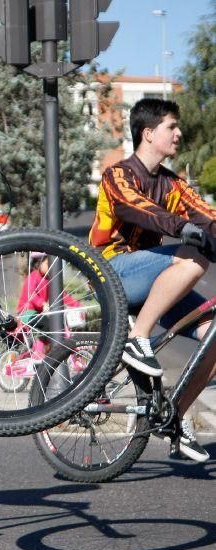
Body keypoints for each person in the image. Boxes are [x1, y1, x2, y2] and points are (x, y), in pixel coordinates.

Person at [89, 97, 216, 463]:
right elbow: (135, 207)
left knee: (214, 336)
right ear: (148, 133)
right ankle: (137, 338)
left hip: (152, 281)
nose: (179, 133)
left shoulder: (173, 184)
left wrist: (202, 228)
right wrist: (183, 228)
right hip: (112, 272)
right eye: (171, 127)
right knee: (193, 257)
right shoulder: (118, 174)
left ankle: (174, 418)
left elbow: (206, 215)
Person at [16, 252, 80, 362]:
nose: (50, 266)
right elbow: (31, 295)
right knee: (50, 325)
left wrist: (77, 306)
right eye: (47, 263)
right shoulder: (33, 276)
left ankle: (44, 352)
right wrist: (43, 304)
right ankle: (38, 352)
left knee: (56, 327)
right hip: (26, 313)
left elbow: (62, 294)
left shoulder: (50, 279)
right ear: (39, 263)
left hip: (38, 313)